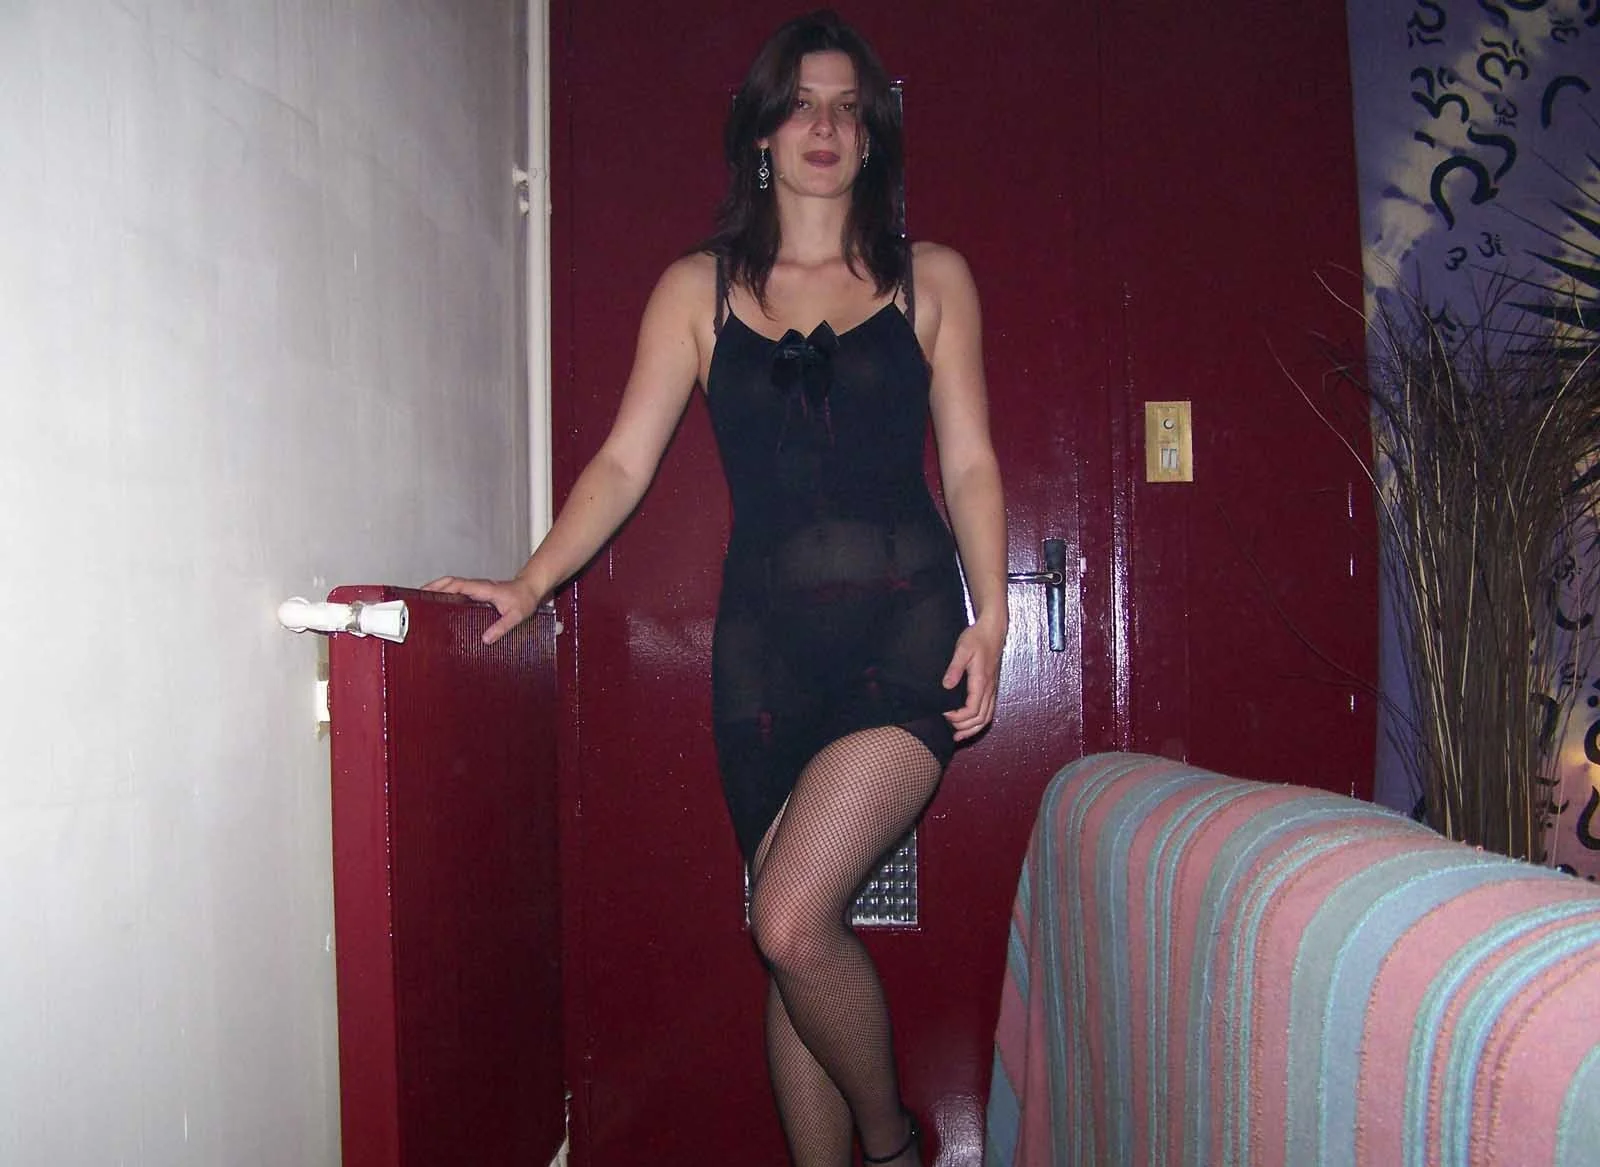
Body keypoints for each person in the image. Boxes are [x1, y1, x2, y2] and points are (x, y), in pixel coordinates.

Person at [426, 11, 1006, 1165]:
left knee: (787, 919)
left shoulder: (929, 278)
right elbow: (621, 463)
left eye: (846, 108)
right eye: (800, 105)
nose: (823, 126)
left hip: (903, 637)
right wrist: (532, 584)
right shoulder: (695, 292)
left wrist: (991, 618)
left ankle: (894, 1147)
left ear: (871, 137)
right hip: (762, 663)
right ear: (762, 135)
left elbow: (973, 464)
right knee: (795, 937)